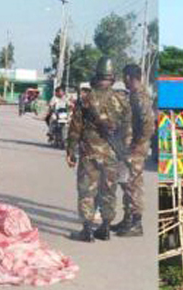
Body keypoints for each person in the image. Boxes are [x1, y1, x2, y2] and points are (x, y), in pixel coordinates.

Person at [66, 57, 131, 242]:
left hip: (89, 153)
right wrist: (124, 154)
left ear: (96, 76)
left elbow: (75, 128)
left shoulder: (86, 99)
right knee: (109, 191)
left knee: (87, 191)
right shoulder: (122, 99)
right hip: (112, 154)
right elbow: (128, 131)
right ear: (112, 77)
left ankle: (86, 230)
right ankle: (105, 228)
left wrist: (70, 151)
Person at [111, 64, 156, 237]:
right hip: (130, 146)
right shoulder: (135, 96)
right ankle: (128, 218)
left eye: (125, 78)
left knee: (133, 184)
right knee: (126, 182)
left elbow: (148, 124)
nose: (124, 81)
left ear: (129, 77)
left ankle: (136, 223)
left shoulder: (139, 97)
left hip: (135, 149)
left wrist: (138, 143)